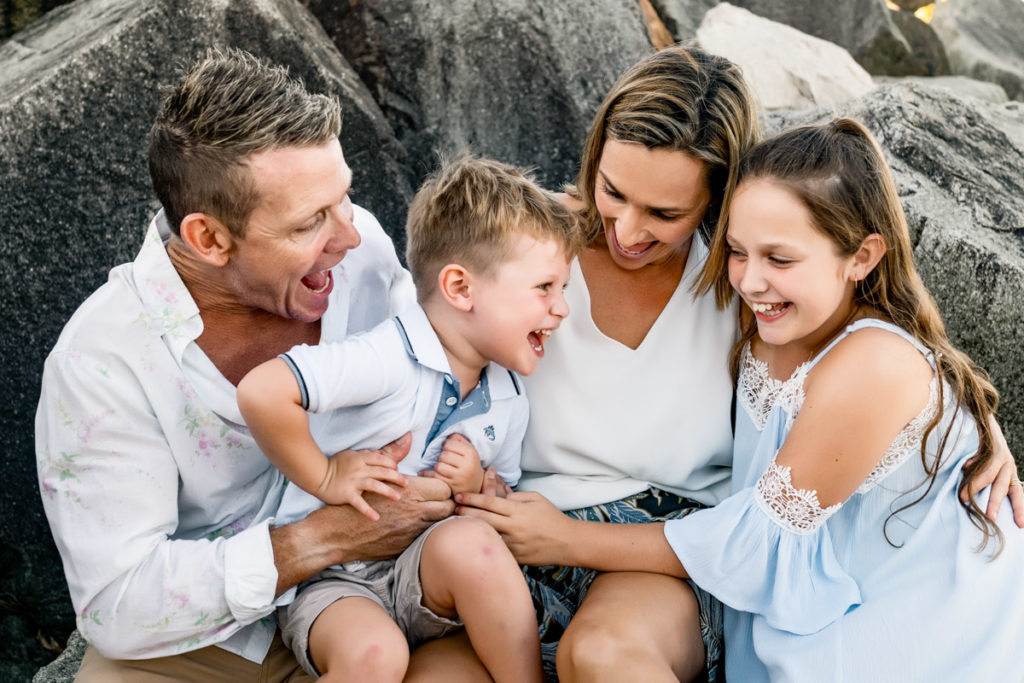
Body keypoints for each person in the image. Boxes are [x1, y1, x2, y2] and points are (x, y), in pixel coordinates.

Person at [452, 44, 1024, 682]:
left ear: (717, 202)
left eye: (666, 213)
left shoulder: (740, 290)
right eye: (613, 190)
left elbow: (871, 345)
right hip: (520, 519)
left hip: (678, 548)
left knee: (604, 653)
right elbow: (428, 332)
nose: (628, 232)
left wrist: (971, 423)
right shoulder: (532, 246)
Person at [34, 48, 454, 681]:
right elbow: (119, 604)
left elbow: (437, 379)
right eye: (309, 223)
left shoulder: (360, 250)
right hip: (206, 642)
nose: (348, 235)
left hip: (379, 589)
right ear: (209, 239)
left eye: (343, 197)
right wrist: (325, 537)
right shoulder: (101, 362)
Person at [661, 117, 1024, 679]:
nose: (750, 280)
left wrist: (565, 538)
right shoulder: (774, 312)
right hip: (828, 599)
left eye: (780, 259)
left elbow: (756, 542)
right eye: (736, 250)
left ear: (862, 256)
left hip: (926, 634)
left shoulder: (871, 357)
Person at [236, 156, 581, 682]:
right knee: (377, 656)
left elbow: (500, 497)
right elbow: (263, 391)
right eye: (544, 288)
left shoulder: (509, 395)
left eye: (563, 289)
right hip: (335, 581)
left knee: (473, 546)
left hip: (424, 575)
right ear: (460, 288)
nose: (562, 309)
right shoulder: (386, 356)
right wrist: (326, 476)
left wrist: (476, 487)